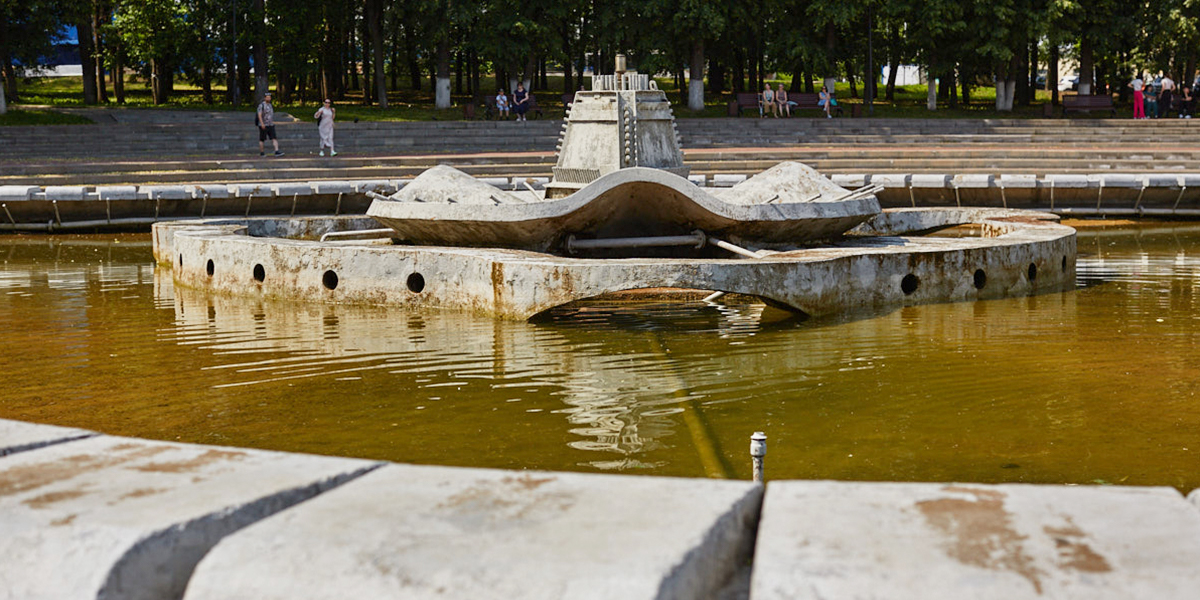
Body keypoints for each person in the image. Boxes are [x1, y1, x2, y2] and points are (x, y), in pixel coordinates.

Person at [256, 92, 283, 157]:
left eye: (269, 97)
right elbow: (259, 115)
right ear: (265, 98)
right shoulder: (261, 105)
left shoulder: (270, 105)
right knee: (262, 139)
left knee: (274, 138)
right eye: (267, 97)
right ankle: (262, 152)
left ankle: (276, 151)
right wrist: (262, 123)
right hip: (263, 125)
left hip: (270, 124)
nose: (268, 98)